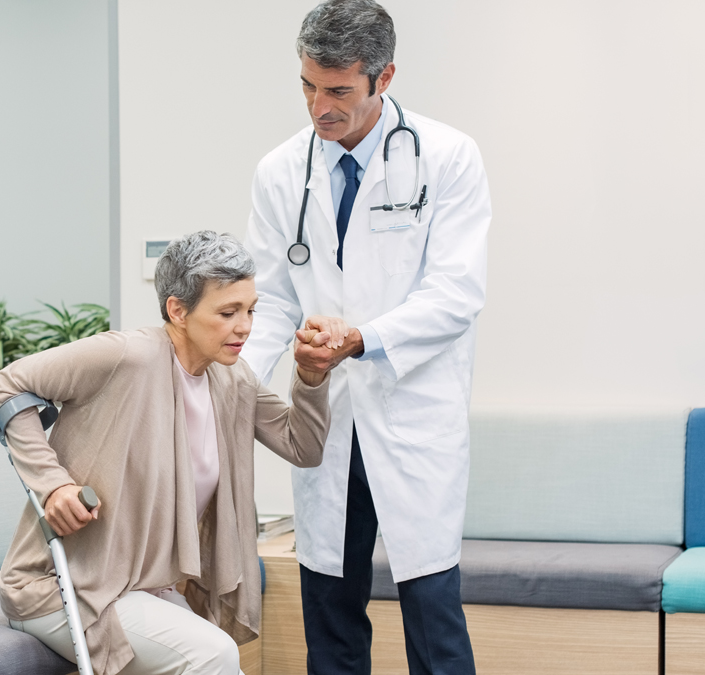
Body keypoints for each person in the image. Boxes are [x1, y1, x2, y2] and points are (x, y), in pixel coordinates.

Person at [241, 1, 491, 673]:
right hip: (326, 423)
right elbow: (269, 302)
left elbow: (456, 294)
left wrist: (361, 338)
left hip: (411, 415)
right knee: (331, 620)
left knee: (434, 624)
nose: (318, 106)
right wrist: (231, 387)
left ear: (383, 78)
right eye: (307, 86)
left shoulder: (447, 157)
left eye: (338, 91)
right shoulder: (279, 172)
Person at [0, 231, 332, 675]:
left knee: (222, 663)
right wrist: (53, 486)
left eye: (250, 311)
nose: (245, 327)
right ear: (178, 310)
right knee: (215, 655)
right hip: (65, 587)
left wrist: (311, 374)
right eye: (227, 312)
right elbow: (7, 385)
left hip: (145, 587)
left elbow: (302, 446)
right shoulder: (125, 355)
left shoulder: (232, 380)